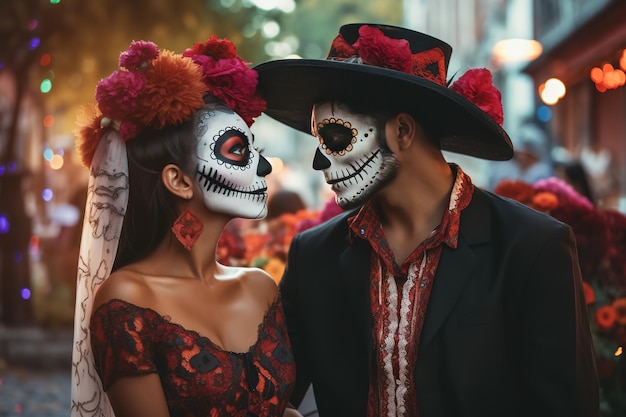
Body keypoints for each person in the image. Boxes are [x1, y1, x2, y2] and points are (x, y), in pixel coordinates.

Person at [253, 23, 599, 417]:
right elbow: (270, 396)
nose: (319, 161)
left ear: (402, 131)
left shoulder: (531, 248)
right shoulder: (314, 255)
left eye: (334, 136)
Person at [70, 37, 302, 417]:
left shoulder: (260, 288)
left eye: (254, 149)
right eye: (237, 151)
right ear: (178, 181)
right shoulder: (127, 300)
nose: (263, 167)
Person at [487, 122, 554, 191]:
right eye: (520, 152)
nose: (521, 156)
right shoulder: (507, 168)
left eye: (526, 153)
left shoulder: (542, 171)